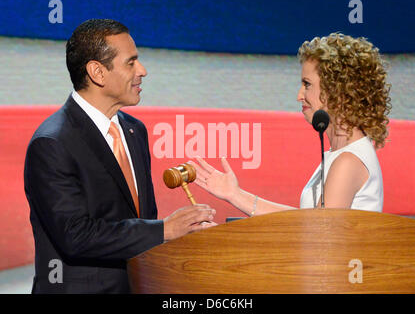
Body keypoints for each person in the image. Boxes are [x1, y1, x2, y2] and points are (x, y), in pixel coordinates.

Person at [24, 19, 215, 294]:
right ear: (97, 72)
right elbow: (75, 236)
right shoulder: (52, 143)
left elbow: (140, 219)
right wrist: (164, 230)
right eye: (131, 62)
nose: (143, 71)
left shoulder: (134, 130)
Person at [190, 33, 391, 216]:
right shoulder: (341, 153)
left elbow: (316, 234)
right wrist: (235, 194)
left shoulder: (348, 162)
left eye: (307, 84)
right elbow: (307, 222)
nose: (299, 96)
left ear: (336, 90)